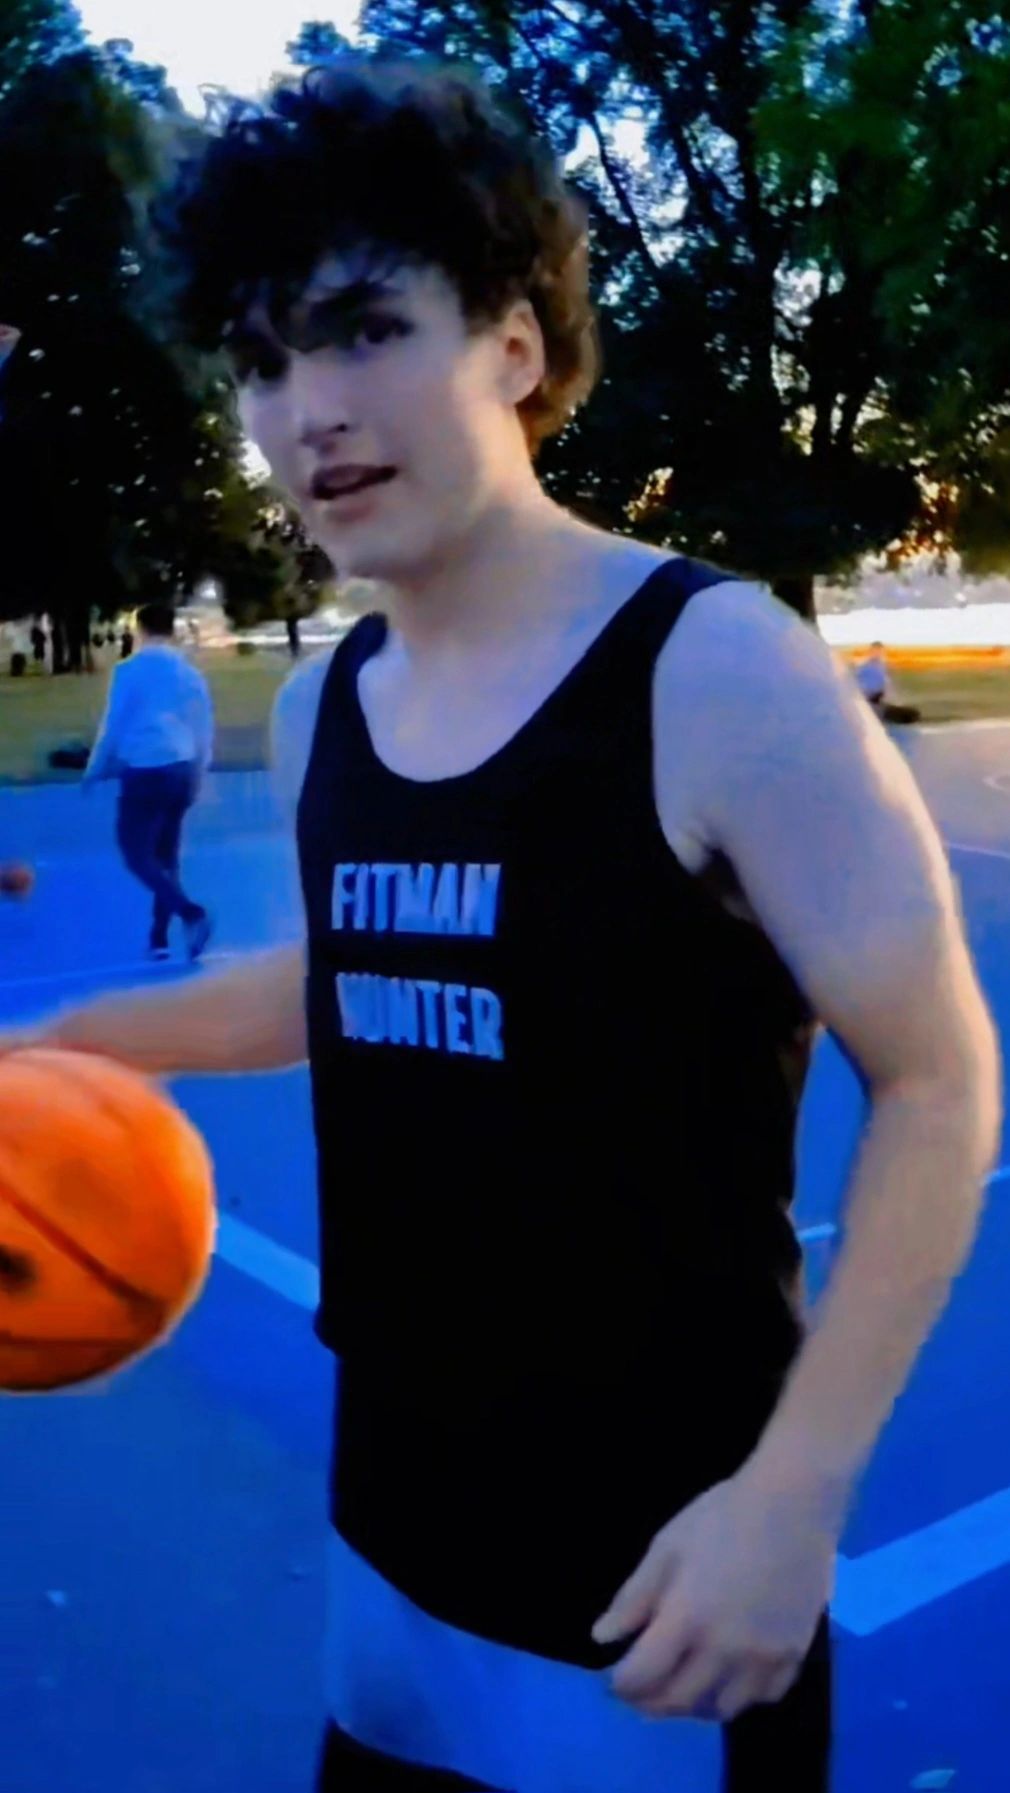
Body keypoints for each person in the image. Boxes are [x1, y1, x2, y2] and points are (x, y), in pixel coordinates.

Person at [8, 60, 1000, 1791]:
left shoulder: (713, 667)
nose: (307, 407)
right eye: (259, 358)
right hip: (390, 1513)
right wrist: (73, 1043)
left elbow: (936, 1078)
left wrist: (794, 1492)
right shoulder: (336, 707)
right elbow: (360, 974)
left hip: (662, 1566)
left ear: (518, 347)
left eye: (366, 329)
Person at [83, 600, 213, 962]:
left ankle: (190, 913)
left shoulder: (129, 670)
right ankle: (159, 938)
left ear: (139, 629)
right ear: (171, 629)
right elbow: (203, 726)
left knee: (136, 853)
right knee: (166, 857)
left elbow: (113, 724)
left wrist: (94, 768)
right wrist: (200, 772)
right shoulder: (189, 674)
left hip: (146, 768)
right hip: (181, 767)